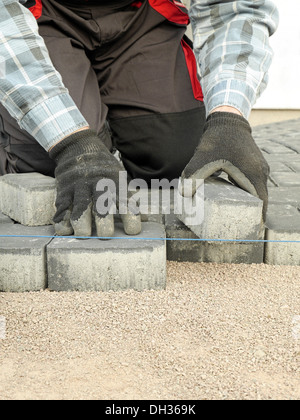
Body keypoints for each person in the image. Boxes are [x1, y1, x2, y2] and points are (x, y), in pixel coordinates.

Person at [0, 0, 279, 237]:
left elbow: (233, 9)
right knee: (51, 163)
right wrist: (71, 143)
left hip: (139, 15)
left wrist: (229, 119)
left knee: (182, 161)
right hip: (39, 15)